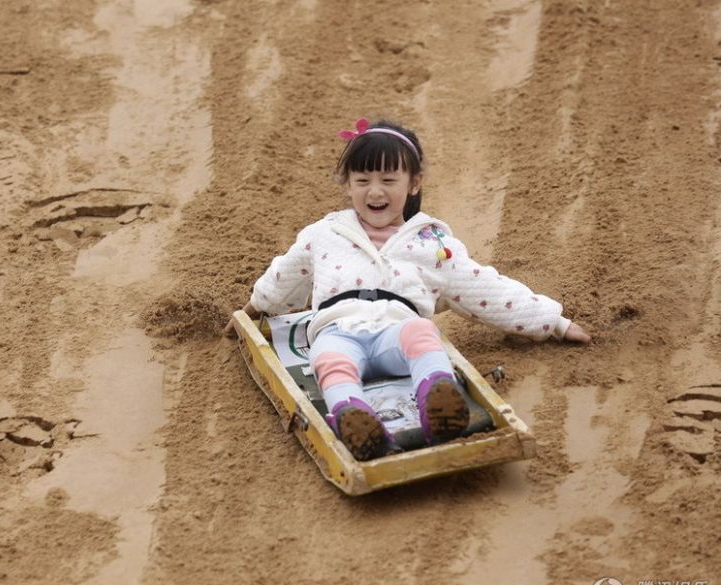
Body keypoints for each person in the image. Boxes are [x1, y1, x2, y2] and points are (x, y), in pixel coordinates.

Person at [224, 118, 591, 461]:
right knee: (329, 361)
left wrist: (552, 322)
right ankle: (354, 418)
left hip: (396, 333)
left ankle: (438, 397)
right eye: (363, 180)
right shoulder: (325, 234)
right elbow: (284, 275)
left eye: (388, 179)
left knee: (421, 332)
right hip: (338, 331)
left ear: (413, 183)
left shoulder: (432, 243)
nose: (375, 191)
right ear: (348, 184)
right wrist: (254, 308)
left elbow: (484, 287)